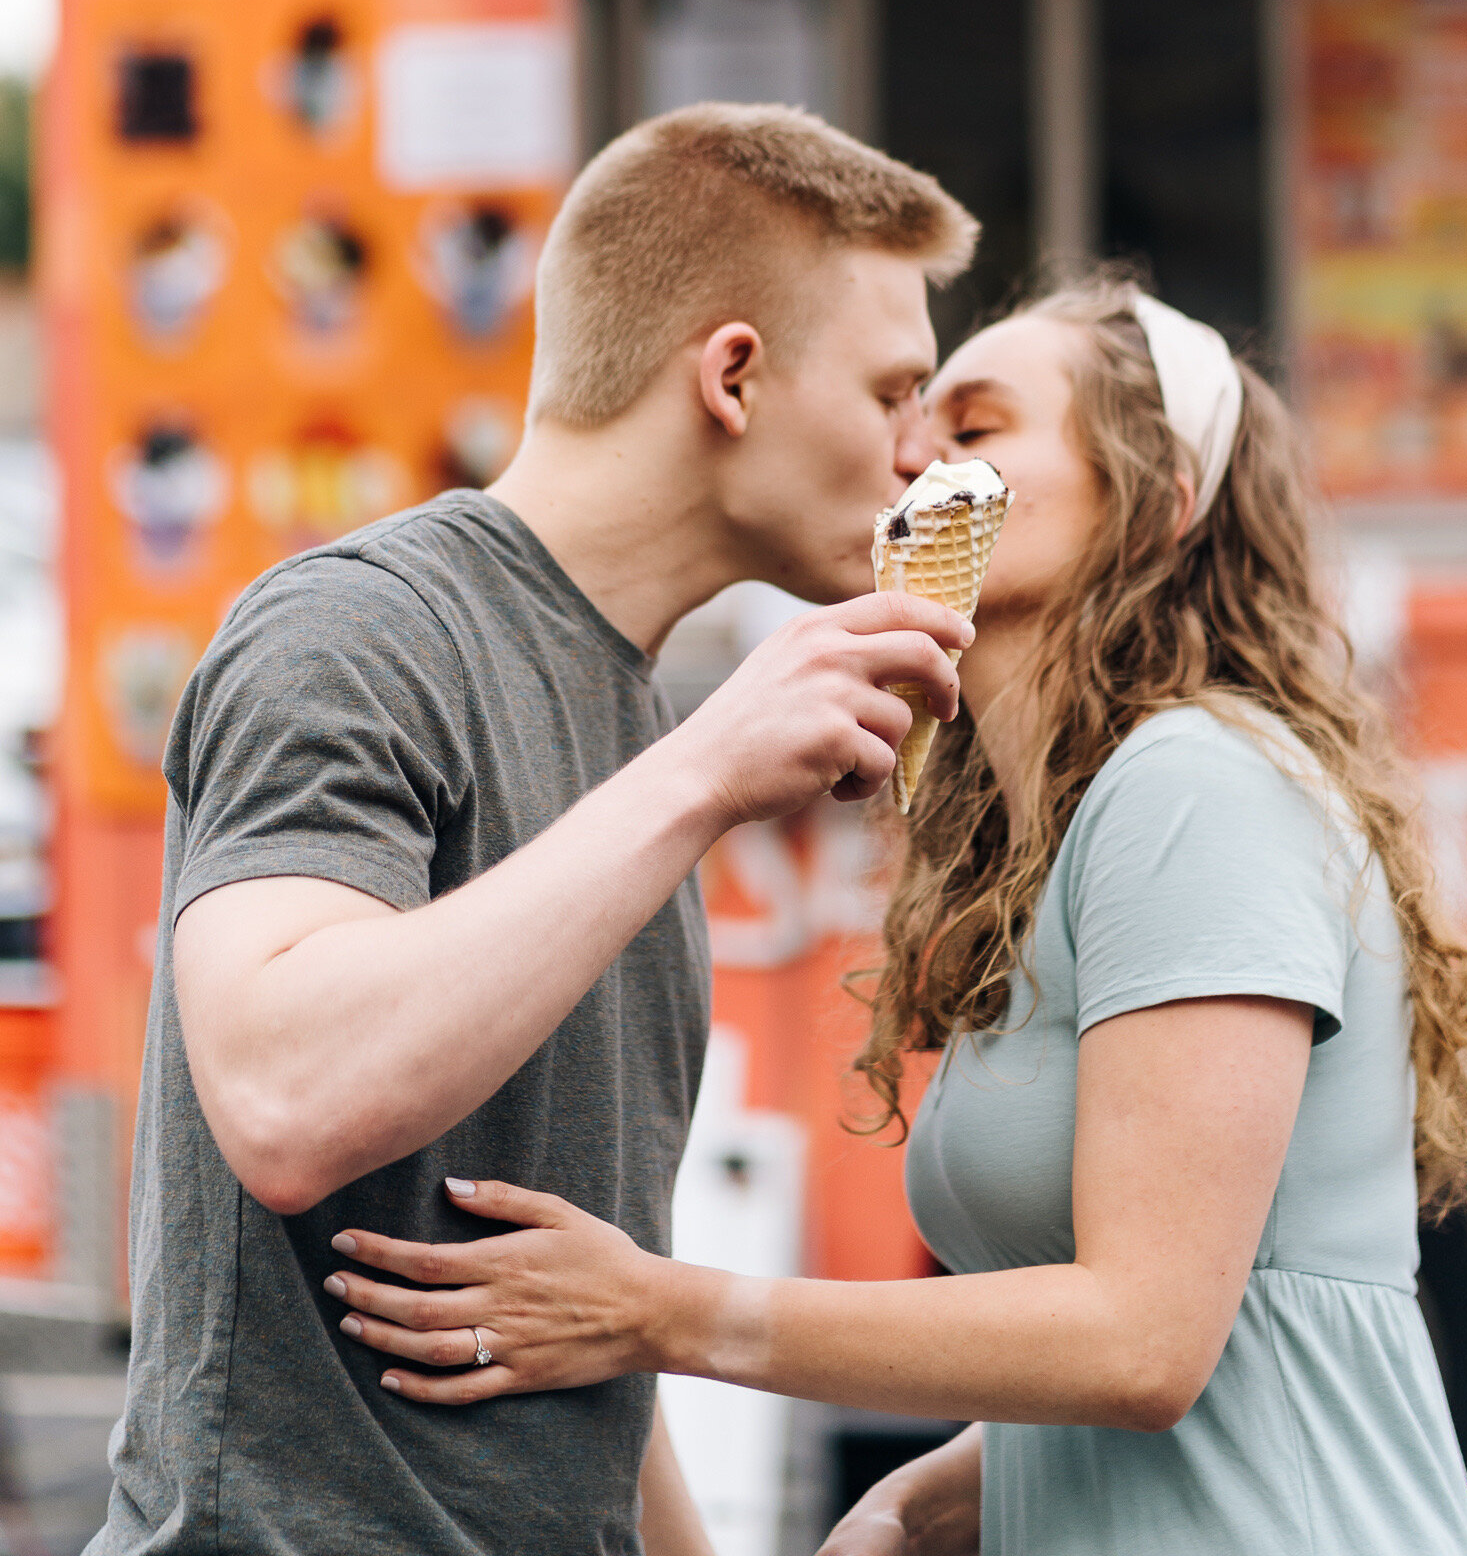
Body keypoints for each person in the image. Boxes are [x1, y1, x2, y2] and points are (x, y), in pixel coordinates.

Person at [324, 273, 1467, 1556]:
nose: (915, 457)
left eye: (979, 427)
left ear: (1158, 507)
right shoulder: (1074, 831)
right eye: (910, 419)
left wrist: (655, 1312)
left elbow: (1146, 1342)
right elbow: (1173, 1345)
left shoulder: (1196, 784)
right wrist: (918, 1499)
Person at [90, 103, 984, 1556]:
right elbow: (282, 1098)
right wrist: (699, 779)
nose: (922, 459)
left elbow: (581, 1361)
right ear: (735, 378)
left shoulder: (645, 740)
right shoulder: (358, 630)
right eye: (895, 392)